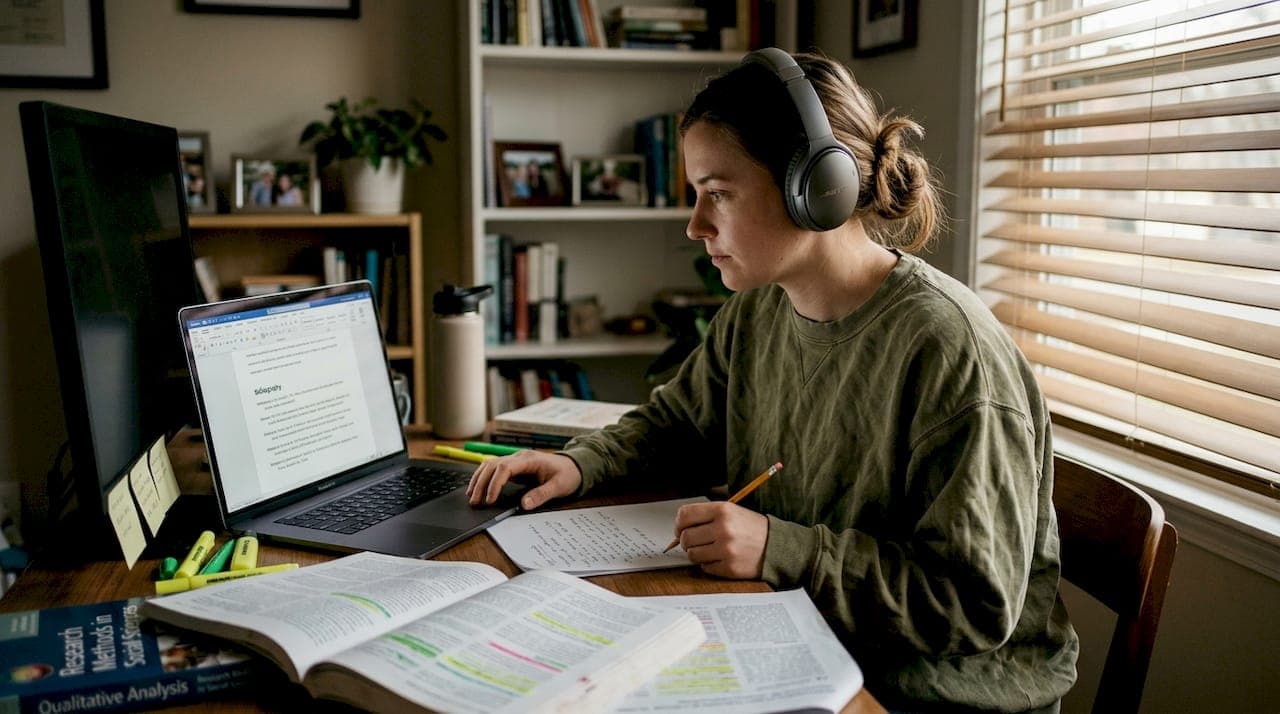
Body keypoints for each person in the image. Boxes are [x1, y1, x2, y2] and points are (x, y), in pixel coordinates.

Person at [467, 49, 1078, 713]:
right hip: (806, 638)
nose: (696, 225)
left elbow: (970, 604)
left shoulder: (950, 353)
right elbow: (680, 423)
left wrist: (781, 550)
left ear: (815, 187)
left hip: (926, 694)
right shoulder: (762, 307)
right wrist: (582, 465)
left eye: (718, 195)